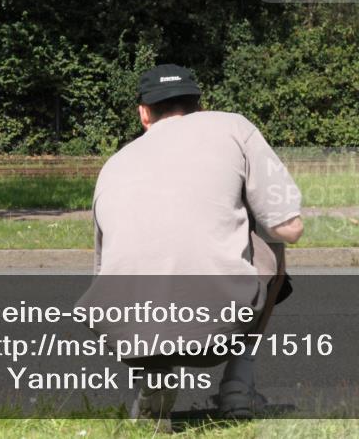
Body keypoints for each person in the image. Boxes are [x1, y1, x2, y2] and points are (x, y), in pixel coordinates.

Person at [80, 63, 303, 430]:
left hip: (127, 332)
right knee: (271, 242)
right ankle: (237, 388)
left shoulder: (114, 163)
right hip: (215, 331)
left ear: (144, 114)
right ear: (200, 106)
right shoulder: (234, 127)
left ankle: (153, 379)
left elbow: (104, 269)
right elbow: (288, 228)